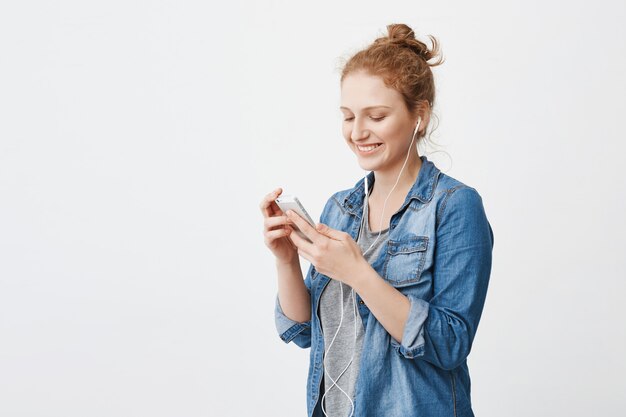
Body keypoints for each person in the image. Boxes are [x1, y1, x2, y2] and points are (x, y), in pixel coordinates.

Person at [260, 23, 494, 417]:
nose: (358, 132)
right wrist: (286, 259)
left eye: (376, 116)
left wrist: (358, 273)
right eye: (348, 116)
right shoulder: (340, 208)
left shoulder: (454, 206)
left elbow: (451, 343)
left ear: (419, 116)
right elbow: (305, 333)